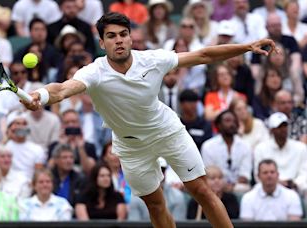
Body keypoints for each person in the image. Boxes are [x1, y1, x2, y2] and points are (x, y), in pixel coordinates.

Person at [21, 12, 277, 228]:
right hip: (131, 147)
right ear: (102, 43)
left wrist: (245, 47)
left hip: (168, 132)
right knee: (155, 205)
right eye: (111, 36)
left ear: (131, 37)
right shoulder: (94, 73)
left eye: (123, 34)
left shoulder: (153, 59)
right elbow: (63, 89)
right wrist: (40, 95)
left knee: (201, 191)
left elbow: (204, 55)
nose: (119, 40)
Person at [253, 112, 307, 191]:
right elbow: (258, 175)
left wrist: (293, 183)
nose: (283, 130)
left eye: (285, 126)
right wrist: (276, 183)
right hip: (268, 188)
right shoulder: (260, 148)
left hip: (295, 188)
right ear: (272, 130)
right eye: (279, 127)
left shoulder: (301, 148)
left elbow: (304, 173)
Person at [201, 110, 252, 193]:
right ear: (219, 125)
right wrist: (222, 184)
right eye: (228, 121)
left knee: (244, 188)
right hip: (215, 185)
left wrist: (232, 186)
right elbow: (209, 173)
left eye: (234, 121)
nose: (232, 124)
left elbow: (245, 174)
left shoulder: (245, 146)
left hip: (238, 186)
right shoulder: (208, 146)